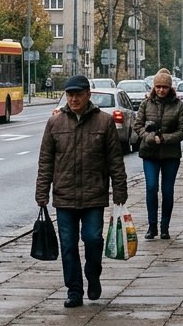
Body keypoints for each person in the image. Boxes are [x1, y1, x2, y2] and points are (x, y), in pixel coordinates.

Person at [36, 75, 128, 308]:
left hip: (94, 195)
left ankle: (93, 274)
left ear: (88, 94)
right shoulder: (55, 123)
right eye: (70, 94)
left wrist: (120, 192)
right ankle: (74, 290)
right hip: (65, 196)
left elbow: (115, 161)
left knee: (93, 239)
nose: (74, 99)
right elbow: (46, 161)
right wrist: (42, 192)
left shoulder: (104, 122)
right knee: (68, 245)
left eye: (78, 94)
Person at [132, 69, 183, 240]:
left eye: (164, 87)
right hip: (149, 153)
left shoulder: (178, 105)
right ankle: (152, 226)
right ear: (154, 87)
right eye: (158, 87)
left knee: (167, 190)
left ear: (170, 87)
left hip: (170, 154)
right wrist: (150, 137)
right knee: (151, 188)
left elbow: (182, 131)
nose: (161, 90)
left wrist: (164, 138)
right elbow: (138, 126)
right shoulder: (146, 104)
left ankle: (165, 227)